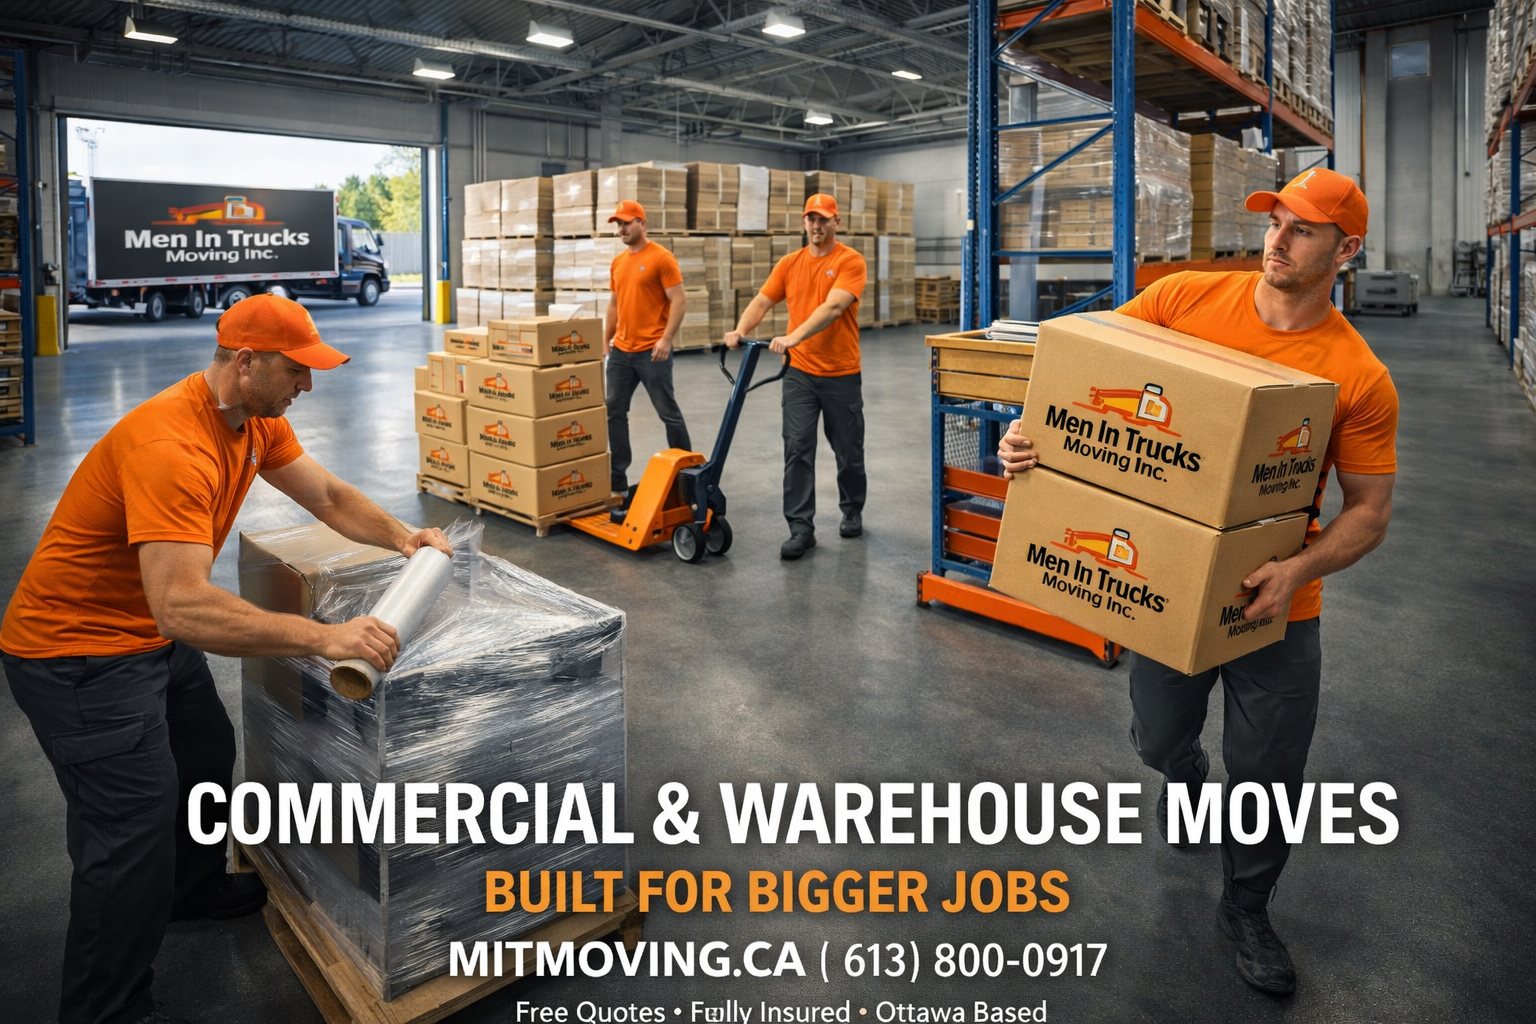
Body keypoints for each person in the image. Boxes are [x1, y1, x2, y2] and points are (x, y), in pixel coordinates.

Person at [998, 168, 1398, 996]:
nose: (1277, 240)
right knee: (1153, 734)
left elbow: (1368, 512)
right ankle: (1183, 778)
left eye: (1304, 230)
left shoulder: (1356, 377)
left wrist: (1296, 571)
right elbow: (1079, 369)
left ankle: (1247, 904)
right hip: (1168, 584)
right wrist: (1026, 436)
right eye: (1275, 221)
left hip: (1277, 603)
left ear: (1346, 250)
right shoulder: (1184, 299)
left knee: (1270, 773)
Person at [1, 294, 452, 1024]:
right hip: (78, 655)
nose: (308, 386)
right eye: (296, 371)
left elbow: (330, 496)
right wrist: (329, 639)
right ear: (246, 363)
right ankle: (103, 1010)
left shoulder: (254, 420)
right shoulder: (171, 447)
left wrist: (406, 540)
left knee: (206, 751)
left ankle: (191, 890)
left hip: (143, 632)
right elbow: (182, 605)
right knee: (128, 841)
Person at [725, 193, 869, 560]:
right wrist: (739, 330)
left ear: (837, 222)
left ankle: (852, 508)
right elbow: (762, 301)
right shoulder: (790, 264)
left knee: (848, 451)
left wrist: (793, 336)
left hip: (841, 374)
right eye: (810, 219)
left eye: (823, 219)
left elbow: (834, 306)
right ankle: (801, 528)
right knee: (797, 449)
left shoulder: (850, 261)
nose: (816, 226)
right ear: (804, 222)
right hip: (799, 373)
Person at [603, 199, 690, 498]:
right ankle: (617, 479)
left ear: (642, 223)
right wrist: (606, 338)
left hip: (652, 352)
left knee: (668, 413)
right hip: (621, 353)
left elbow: (679, 300)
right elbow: (614, 304)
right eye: (618, 224)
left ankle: (687, 476)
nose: (622, 229)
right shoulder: (618, 263)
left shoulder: (661, 258)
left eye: (627, 223)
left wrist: (666, 339)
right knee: (613, 410)